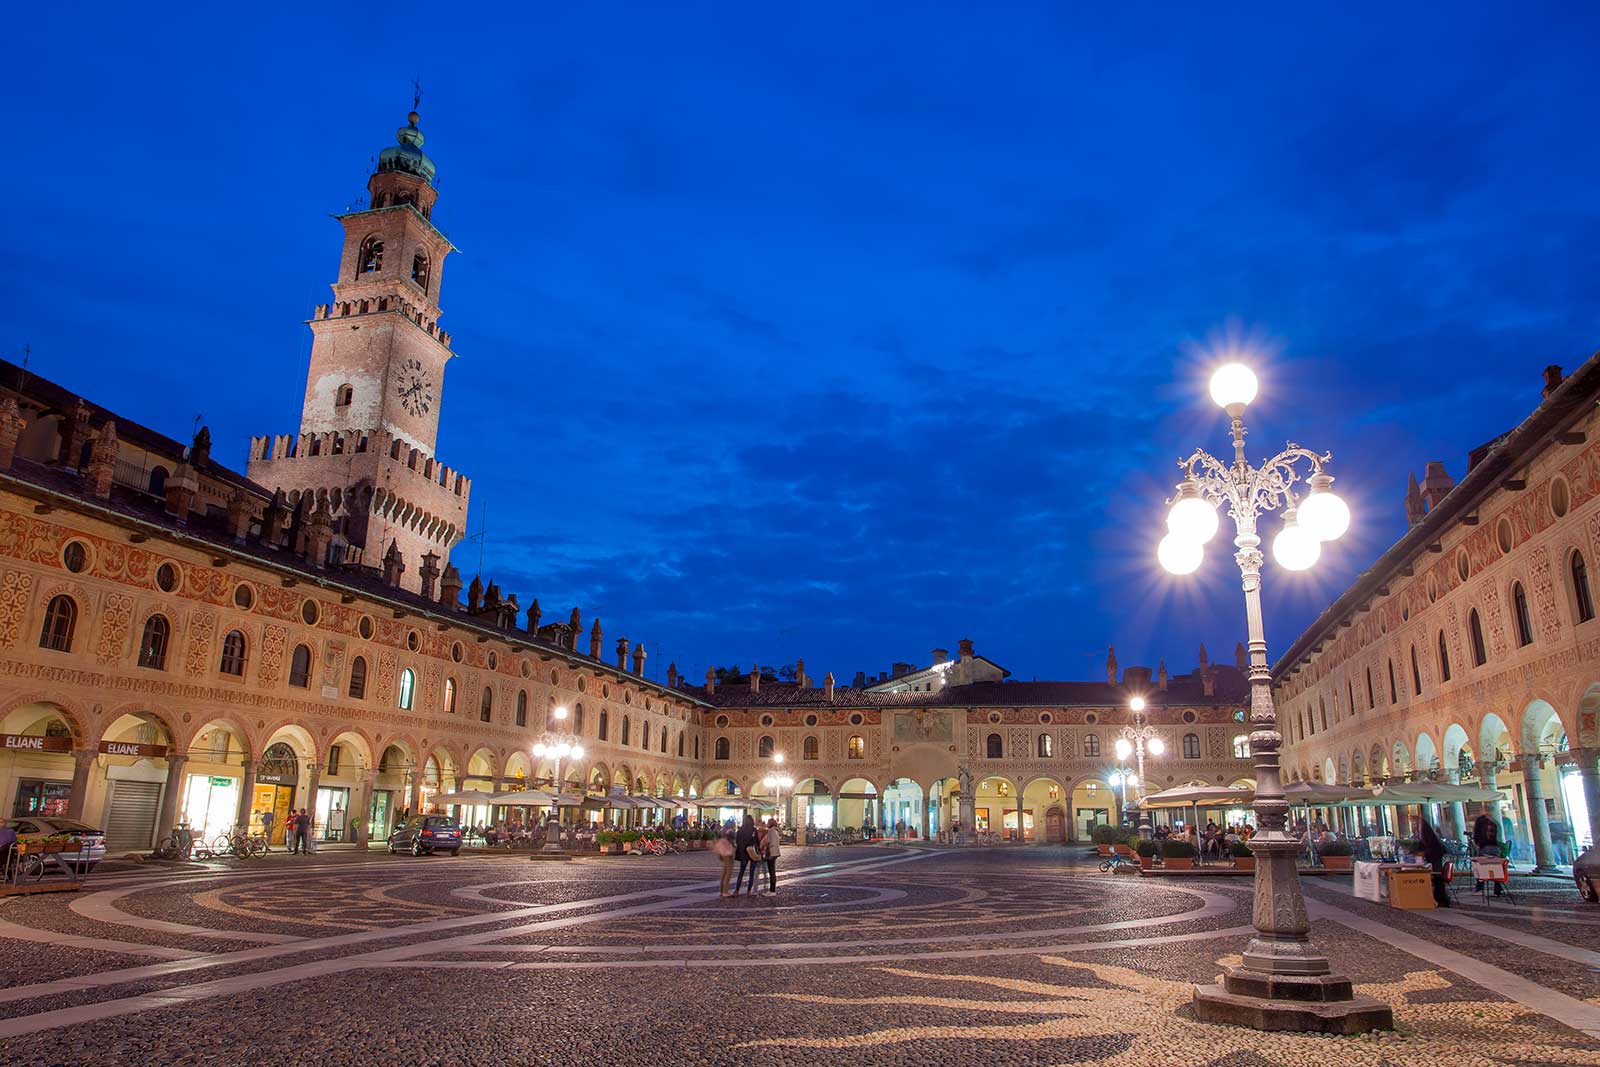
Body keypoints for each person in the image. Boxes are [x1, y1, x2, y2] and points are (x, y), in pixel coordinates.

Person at [1420, 818, 1451, 907]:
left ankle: (1440, 899)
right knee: (1437, 877)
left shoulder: (1428, 836)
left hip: (1435, 858)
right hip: (1434, 857)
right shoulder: (1427, 835)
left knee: (1437, 877)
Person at [1472, 812, 1504, 897]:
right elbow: (1499, 836)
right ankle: (1498, 888)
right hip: (1495, 847)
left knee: (1480, 868)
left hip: (1484, 847)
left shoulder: (1479, 824)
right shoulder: (1494, 824)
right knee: (1496, 868)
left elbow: (1476, 838)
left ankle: (1480, 887)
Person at [735, 813, 761, 896]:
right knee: (751, 872)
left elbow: (737, 841)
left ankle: (737, 890)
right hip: (752, 852)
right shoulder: (754, 830)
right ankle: (749, 891)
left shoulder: (740, 830)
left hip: (743, 853)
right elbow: (757, 842)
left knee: (741, 872)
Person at [713, 828, 735, 897]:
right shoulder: (727, 841)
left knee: (724, 873)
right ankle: (725, 891)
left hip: (724, 855)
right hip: (728, 856)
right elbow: (731, 849)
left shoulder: (721, 840)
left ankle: (722, 891)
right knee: (728, 874)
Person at [761, 817, 781, 894]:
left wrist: (765, 845)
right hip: (774, 853)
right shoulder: (775, 831)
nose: (767, 824)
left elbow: (768, 841)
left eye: (768, 822)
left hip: (771, 853)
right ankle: (772, 890)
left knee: (771, 872)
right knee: (772, 872)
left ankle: (772, 891)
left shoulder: (771, 831)